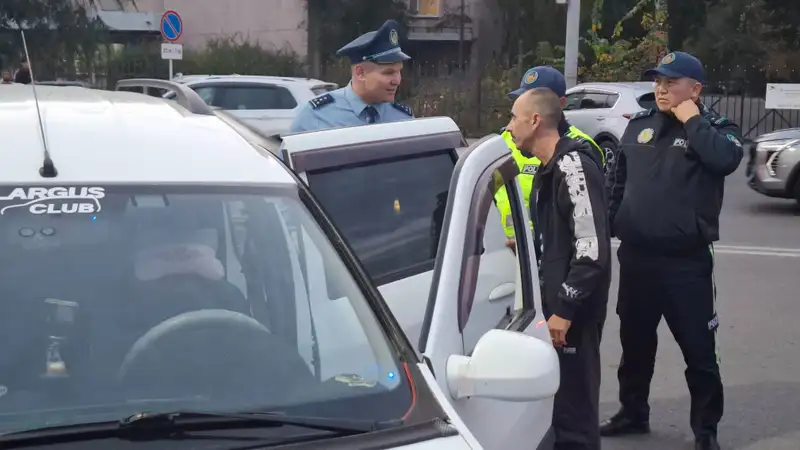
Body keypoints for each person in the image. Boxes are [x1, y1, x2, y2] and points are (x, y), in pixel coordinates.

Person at [601, 51, 743, 450]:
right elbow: (618, 184)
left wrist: (691, 118)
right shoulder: (639, 125)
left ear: (695, 89)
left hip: (686, 264)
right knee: (635, 345)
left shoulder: (715, 129)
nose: (661, 89)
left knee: (699, 352)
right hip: (638, 259)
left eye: (671, 82)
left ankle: (706, 431)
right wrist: (613, 224)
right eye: (657, 81)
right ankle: (632, 412)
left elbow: (725, 159)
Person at [506, 87, 611, 450]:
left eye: (514, 118)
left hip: (573, 314)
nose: (509, 127)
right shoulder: (548, 169)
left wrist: (565, 310)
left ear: (535, 121)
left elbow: (591, 248)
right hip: (557, 308)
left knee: (575, 413)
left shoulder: (572, 165)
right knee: (558, 409)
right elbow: (562, 235)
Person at [496, 66, 604, 251]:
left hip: (551, 257)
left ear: (559, 103)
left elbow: (589, 227)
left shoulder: (581, 151)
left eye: (535, 98)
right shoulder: (505, 141)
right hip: (503, 252)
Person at [288, 19, 414, 133]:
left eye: (399, 71)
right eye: (389, 72)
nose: (397, 80)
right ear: (361, 73)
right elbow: (288, 158)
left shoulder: (403, 118)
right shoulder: (316, 116)